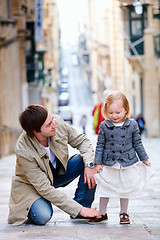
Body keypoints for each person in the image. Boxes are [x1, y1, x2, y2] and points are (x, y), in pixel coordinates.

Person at [8, 104, 101, 226]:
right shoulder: (23, 150)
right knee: (43, 216)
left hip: (56, 174)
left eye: (52, 120)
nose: (54, 125)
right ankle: (34, 203)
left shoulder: (57, 123)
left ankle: (82, 204)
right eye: (49, 124)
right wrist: (76, 209)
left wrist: (89, 166)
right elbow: (44, 188)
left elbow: (82, 141)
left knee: (84, 160)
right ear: (36, 131)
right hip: (32, 186)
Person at [88, 91, 154, 225]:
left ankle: (124, 213)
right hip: (109, 162)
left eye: (118, 112)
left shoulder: (132, 125)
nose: (114, 116)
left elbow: (137, 143)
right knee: (104, 188)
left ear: (126, 110)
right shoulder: (104, 126)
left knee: (125, 189)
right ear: (106, 111)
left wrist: (144, 158)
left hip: (126, 162)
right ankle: (102, 212)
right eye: (110, 113)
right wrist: (98, 163)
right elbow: (100, 145)